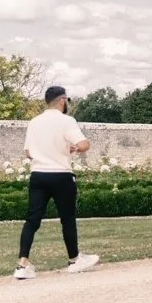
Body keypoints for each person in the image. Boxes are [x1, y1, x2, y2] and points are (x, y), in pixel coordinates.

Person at [15, 85, 98, 278]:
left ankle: (22, 264)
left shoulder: (34, 122)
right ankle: (74, 259)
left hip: (38, 174)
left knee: (32, 220)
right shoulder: (66, 121)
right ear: (62, 100)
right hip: (61, 174)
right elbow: (84, 144)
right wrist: (75, 149)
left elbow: (28, 152)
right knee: (67, 218)